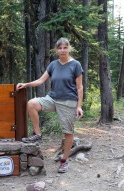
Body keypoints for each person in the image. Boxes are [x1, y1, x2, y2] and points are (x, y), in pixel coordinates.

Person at [16, 37, 84, 173]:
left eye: (65, 48)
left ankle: (64, 161)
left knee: (68, 133)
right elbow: (41, 81)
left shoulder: (75, 65)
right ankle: (38, 133)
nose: (62, 50)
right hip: (52, 99)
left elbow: (80, 87)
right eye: (60, 48)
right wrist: (26, 84)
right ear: (56, 50)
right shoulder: (53, 65)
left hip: (68, 102)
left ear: (69, 49)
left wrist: (79, 106)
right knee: (32, 104)